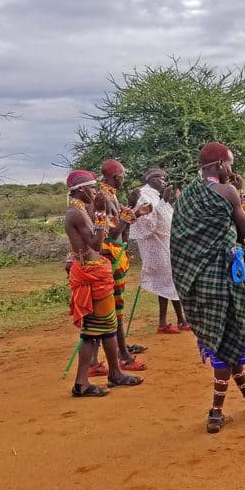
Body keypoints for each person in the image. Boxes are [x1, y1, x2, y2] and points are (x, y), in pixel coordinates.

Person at [170, 142, 245, 433]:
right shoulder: (229, 191)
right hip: (224, 278)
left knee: (224, 345)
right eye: (230, 164)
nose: (232, 170)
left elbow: (181, 241)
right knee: (227, 344)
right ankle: (215, 411)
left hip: (198, 282)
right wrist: (242, 193)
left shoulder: (186, 197)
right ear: (221, 164)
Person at [64, 170, 146, 397]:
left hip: (95, 271)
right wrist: (101, 216)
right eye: (91, 188)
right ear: (81, 190)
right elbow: (97, 244)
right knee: (93, 330)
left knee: (108, 326)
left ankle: (115, 373)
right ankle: (82, 383)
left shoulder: (78, 210)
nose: (94, 192)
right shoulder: (77, 213)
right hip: (91, 273)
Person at [94, 158, 148, 371]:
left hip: (116, 254)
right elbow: (113, 231)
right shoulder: (103, 197)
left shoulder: (110, 195)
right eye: (123, 176)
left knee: (114, 307)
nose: (124, 180)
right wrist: (133, 214)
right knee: (114, 309)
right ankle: (122, 355)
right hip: (109, 255)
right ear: (116, 176)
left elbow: (121, 220)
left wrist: (134, 211)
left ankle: (121, 350)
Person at [130, 168, 190, 334]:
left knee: (166, 282)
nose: (164, 182)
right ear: (152, 179)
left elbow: (166, 217)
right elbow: (149, 224)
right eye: (161, 178)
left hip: (164, 244)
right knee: (170, 281)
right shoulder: (144, 196)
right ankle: (179, 320)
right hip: (155, 246)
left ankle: (167, 322)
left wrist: (165, 202)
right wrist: (163, 203)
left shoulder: (154, 195)